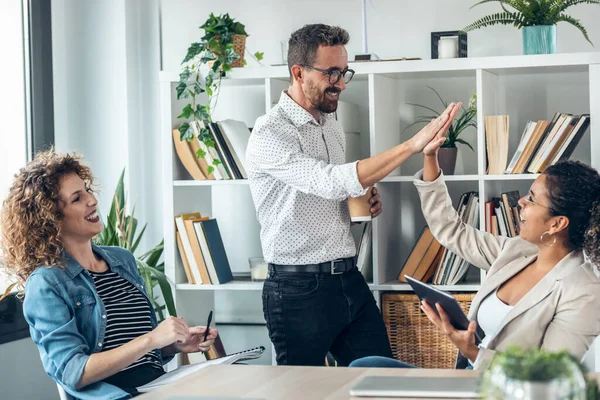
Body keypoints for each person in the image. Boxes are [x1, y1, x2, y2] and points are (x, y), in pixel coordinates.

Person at [245, 23, 461, 366]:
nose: (341, 84)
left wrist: (354, 206)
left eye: (344, 72)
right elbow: (329, 180)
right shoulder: (269, 133)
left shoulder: (330, 121)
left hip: (347, 277)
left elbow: (327, 191)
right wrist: (411, 146)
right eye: (332, 73)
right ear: (298, 72)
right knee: (303, 393)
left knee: (382, 380)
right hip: (297, 289)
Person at [350, 130, 600, 370]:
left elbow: (549, 375)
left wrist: (472, 352)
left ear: (558, 223)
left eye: (532, 199)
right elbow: (452, 230)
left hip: (504, 392)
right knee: (364, 366)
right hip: (469, 378)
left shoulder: (584, 290)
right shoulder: (517, 252)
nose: (521, 202)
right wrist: (429, 157)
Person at [0, 150, 218, 399]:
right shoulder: (46, 283)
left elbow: (135, 348)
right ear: (51, 219)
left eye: (87, 191)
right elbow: (73, 372)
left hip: (157, 387)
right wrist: (152, 339)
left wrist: (173, 345)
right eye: (77, 198)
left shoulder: (121, 260)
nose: (92, 200)